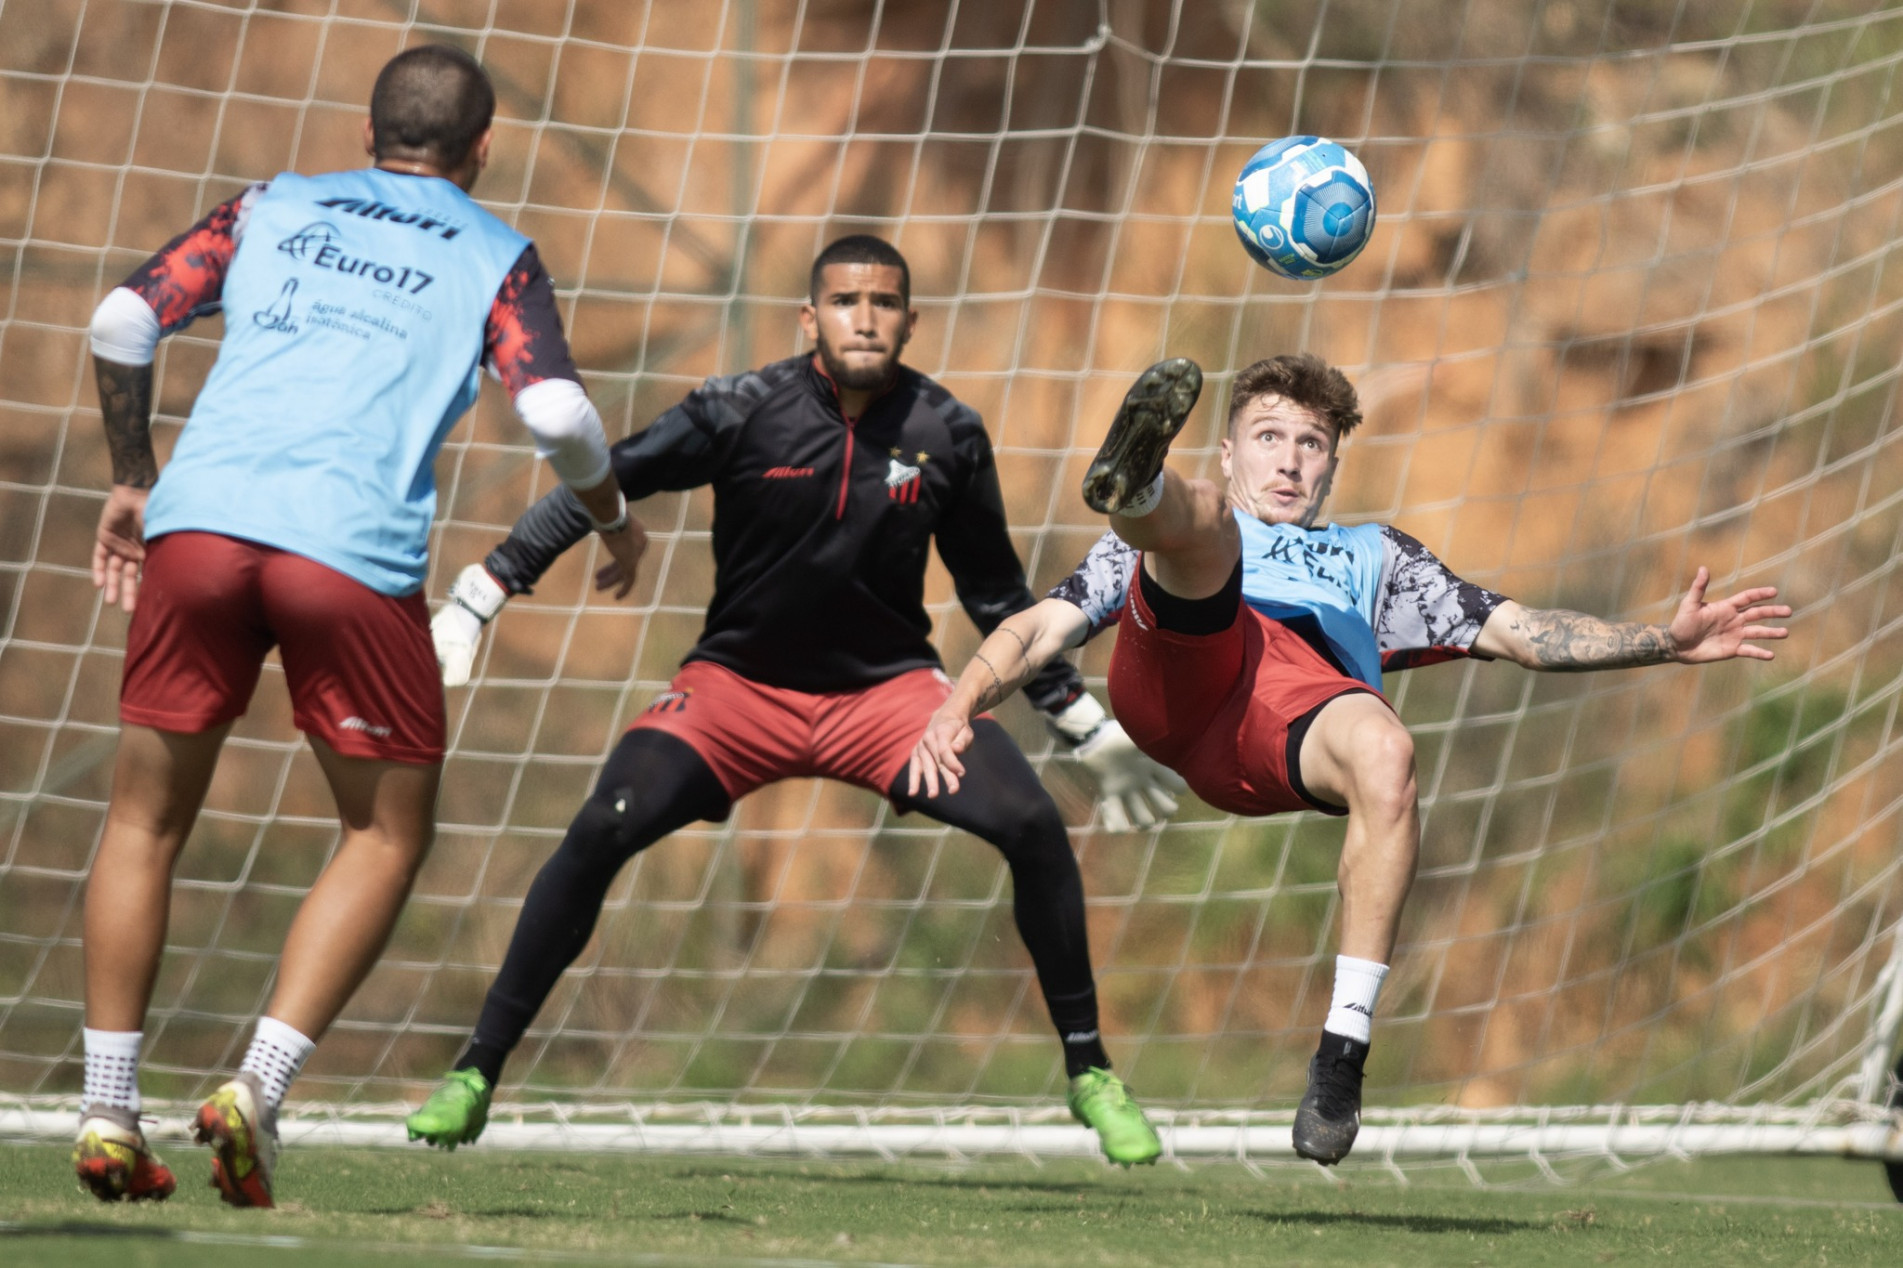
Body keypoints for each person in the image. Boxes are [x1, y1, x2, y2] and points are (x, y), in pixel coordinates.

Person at [404, 235, 1185, 1166]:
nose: (866, 315)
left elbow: (994, 594)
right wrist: (484, 590)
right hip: (736, 690)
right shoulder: (737, 411)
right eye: (846, 300)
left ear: (909, 320)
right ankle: (476, 1073)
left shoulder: (946, 433)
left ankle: (1091, 1071)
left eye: (885, 302)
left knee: (1030, 824)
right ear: (808, 319)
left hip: (889, 698)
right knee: (605, 824)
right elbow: (598, 478)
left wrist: (1078, 720)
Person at [908, 354, 1791, 1165]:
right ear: (1228, 451)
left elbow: (1523, 633)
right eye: (1268, 438)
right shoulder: (1214, 512)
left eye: (1311, 444)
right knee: (1203, 535)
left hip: (1286, 725)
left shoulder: (1377, 558)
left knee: (1386, 745)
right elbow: (1041, 629)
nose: (1289, 461)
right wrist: (959, 702)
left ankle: (1341, 1054)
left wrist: (1661, 642)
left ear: (1331, 464)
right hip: (1179, 671)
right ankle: (1136, 490)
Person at [72, 45, 641, 1207]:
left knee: (143, 814)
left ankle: (105, 1107)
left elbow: (124, 318)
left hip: (200, 531)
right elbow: (554, 406)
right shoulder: (496, 254)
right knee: (383, 830)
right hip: (348, 554)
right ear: (484, 148)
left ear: (369, 129)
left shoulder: (273, 203)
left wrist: (133, 474)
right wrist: (612, 514)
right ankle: (257, 1088)